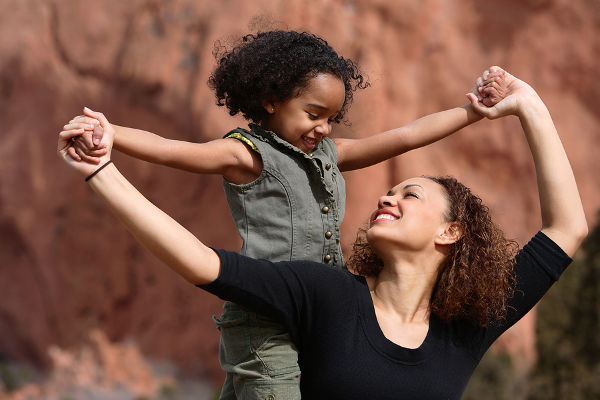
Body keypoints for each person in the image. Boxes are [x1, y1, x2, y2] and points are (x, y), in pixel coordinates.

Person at [58, 68, 587, 399]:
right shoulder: (326, 294)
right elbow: (202, 263)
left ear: (451, 232)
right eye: (390, 191)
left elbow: (567, 228)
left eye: (410, 194)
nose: (387, 196)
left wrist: (526, 104)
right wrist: (104, 172)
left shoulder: (466, 329)